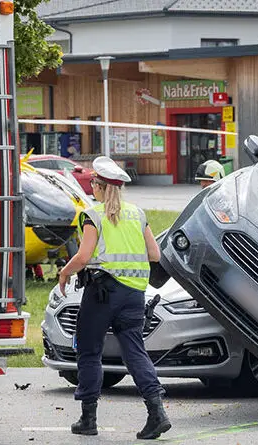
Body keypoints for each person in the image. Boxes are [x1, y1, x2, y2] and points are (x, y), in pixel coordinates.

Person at [58, 156, 171, 440]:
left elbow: (83, 256)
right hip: (134, 294)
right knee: (134, 351)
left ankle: (88, 419)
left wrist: (64, 272)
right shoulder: (137, 214)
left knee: (89, 351)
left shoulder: (93, 215)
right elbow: (155, 254)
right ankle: (157, 412)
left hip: (102, 293)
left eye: (93, 183)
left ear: (99, 187)